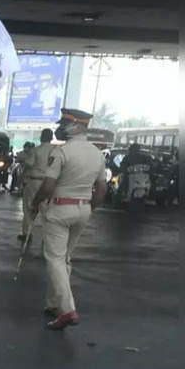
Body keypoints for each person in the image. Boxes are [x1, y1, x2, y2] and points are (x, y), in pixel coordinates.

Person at [31, 108, 107, 330]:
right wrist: (88, 208)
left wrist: (35, 203)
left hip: (60, 209)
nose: (59, 128)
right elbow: (101, 190)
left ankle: (67, 310)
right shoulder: (97, 154)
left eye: (63, 124)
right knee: (65, 258)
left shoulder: (62, 152)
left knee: (54, 258)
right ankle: (53, 303)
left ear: (75, 126)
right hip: (83, 210)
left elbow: (48, 186)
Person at [19, 129, 56, 240]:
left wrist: (23, 172)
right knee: (46, 210)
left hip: (34, 181)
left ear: (41, 137)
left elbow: (29, 164)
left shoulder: (36, 150)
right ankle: (47, 237)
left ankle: (27, 234)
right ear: (51, 138)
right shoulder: (56, 151)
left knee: (29, 208)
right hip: (49, 182)